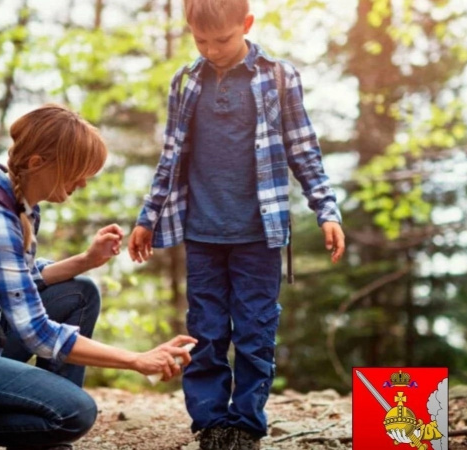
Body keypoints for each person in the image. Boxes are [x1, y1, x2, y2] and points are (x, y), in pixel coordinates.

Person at [0, 104, 197, 450]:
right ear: (36, 163)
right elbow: (38, 334)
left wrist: (87, 260)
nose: (83, 182)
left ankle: (43, 434)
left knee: (80, 293)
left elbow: (24, 280)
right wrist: (136, 360)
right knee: (75, 413)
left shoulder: (18, 204)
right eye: (78, 171)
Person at [127, 1, 346, 449]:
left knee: (255, 329)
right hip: (202, 232)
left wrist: (326, 209)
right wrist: (147, 217)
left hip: (259, 235)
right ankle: (210, 421)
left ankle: (245, 423)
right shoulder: (186, 81)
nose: (211, 50)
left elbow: (303, 150)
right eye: (199, 40)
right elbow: (170, 157)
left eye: (222, 40)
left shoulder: (278, 77)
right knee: (205, 331)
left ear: (246, 25)